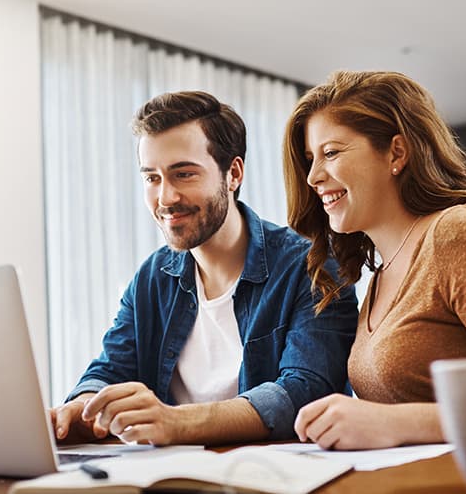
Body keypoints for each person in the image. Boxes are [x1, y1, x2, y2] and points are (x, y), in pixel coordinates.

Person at [51, 90, 358, 446]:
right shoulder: (153, 278)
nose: (165, 198)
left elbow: (305, 392)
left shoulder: (310, 267)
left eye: (184, 174)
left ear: (234, 174)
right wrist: (79, 408)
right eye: (152, 178)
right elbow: (110, 369)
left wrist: (176, 422)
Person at [284, 70, 466, 450]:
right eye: (311, 159)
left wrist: (396, 422)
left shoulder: (457, 235)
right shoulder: (382, 272)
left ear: (396, 152)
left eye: (331, 153)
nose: (313, 177)